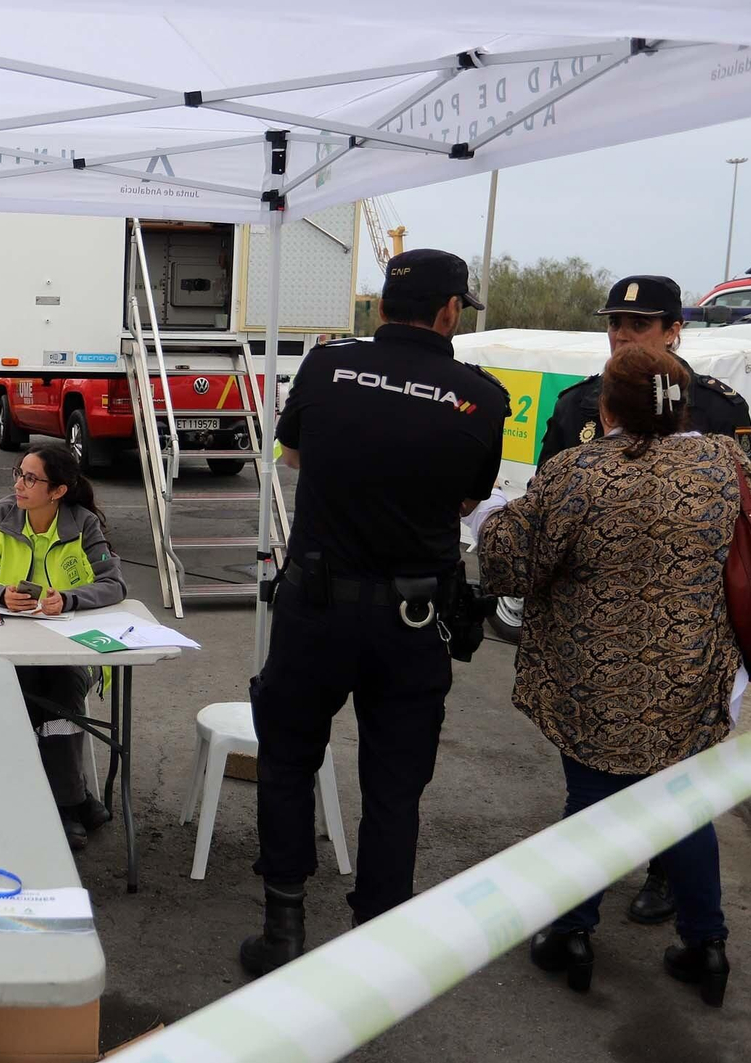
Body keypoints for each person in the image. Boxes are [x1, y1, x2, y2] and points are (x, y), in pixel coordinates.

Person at [240, 249, 510, 975]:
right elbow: (467, 497)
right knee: (395, 784)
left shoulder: (328, 367)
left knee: (289, 759)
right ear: (450, 311)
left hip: (316, 607)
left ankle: (284, 928)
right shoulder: (480, 398)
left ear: (383, 305)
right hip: (412, 620)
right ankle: (376, 953)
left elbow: (290, 451)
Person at [472, 342, 736, 1007]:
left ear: (608, 403)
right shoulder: (725, 463)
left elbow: (512, 566)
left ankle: (573, 932)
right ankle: (707, 945)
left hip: (595, 677)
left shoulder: (576, 472)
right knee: (685, 806)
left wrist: (491, 517)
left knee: (589, 804)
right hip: (691, 671)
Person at [505, 274, 751, 926]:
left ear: (675, 329)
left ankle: (650, 884)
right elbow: (549, 506)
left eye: (638, 324)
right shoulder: (580, 402)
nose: (621, 334)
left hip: (690, 638)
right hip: (606, 638)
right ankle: (703, 936)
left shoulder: (721, 411)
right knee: (662, 790)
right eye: (615, 322)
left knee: (641, 787)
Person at [0, 441, 125, 850]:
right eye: (18, 473)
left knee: (59, 687)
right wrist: (1, 595)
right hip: (6, 646)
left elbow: (113, 583)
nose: (19, 484)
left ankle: (63, 804)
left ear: (58, 491)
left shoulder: (83, 524)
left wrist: (67, 599)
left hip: (70, 647)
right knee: (28, 688)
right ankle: (74, 801)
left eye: (31, 478)